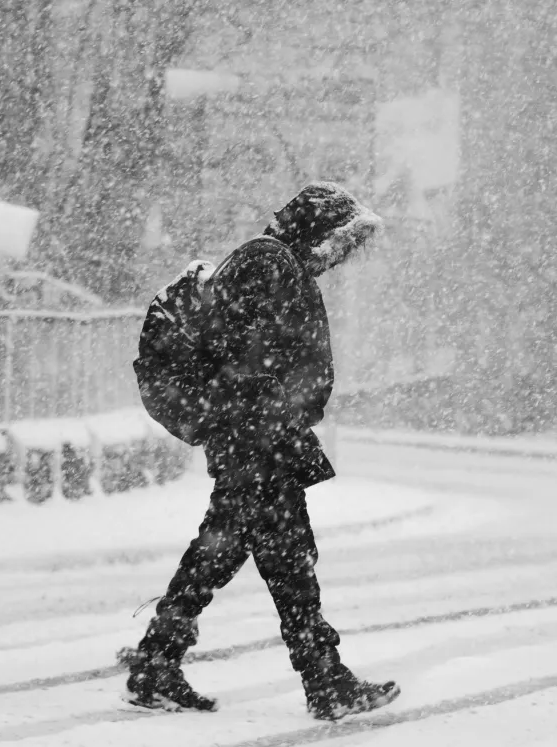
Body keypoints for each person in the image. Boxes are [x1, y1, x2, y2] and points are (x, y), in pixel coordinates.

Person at [122, 183, 399, 720]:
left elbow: (253, 353)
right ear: (316, 231)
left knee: (225, 552)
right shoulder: (270, 263)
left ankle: (158, 663)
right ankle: (325, 681)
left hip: (257, 437)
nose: (339, 257)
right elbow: (244, 355)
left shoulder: (270, 261)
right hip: (259, 441)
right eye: (339, 242)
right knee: (289, 565)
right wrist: (267, 417)